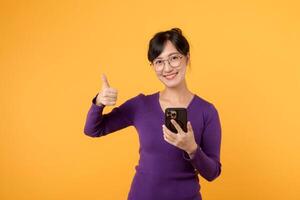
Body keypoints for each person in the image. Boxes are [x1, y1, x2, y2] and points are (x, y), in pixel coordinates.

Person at [83, 27, 222, 200]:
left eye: (174, 58)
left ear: (187, 58)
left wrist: (192, 149)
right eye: (159, 61)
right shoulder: (141, 105)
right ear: (153, 66)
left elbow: (213, 173)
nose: (167, 68)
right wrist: (99, 102)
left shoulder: (207, 111)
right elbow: (93, 130)